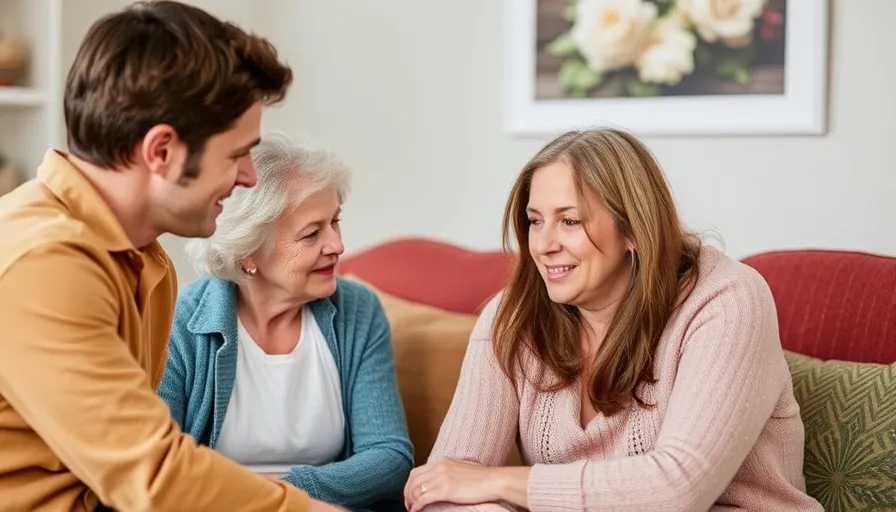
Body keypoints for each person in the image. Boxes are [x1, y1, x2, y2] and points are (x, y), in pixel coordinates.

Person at [0, 2, 342, 511]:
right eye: (235, 154)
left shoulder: (144, 258)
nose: (248, 176)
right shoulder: (44, 261)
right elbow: (152, 475)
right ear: (161, 151)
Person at [403, 128, 824, 511]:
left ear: (633, 231)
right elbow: (445, 483)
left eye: (569, 221)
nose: (544, 244)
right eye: (535, 221)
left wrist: (500, 482)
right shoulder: (512, 318)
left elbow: (678, 488)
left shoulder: (725, 300)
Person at [158, 133, 413, 512]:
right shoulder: (181, 322)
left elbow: (389, 455)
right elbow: (159, 465)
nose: (337, 245)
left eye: (335, 222)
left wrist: (284, 492)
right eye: (312, 234)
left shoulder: (359, 310)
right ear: (249, 252)